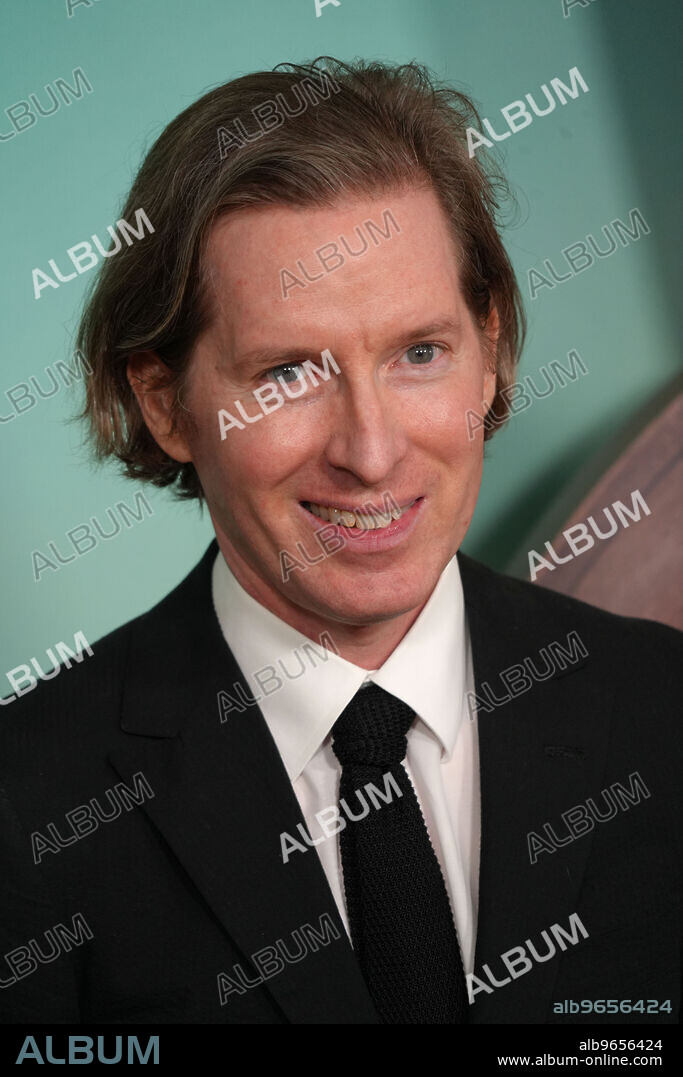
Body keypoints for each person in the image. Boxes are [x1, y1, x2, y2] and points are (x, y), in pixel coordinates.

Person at [0, 58, 679, 1026]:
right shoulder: (27, 800)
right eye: (286, 374)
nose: (369, 451)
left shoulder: (663, 709)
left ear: (487, 352)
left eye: (417, 353)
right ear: (164, 403)